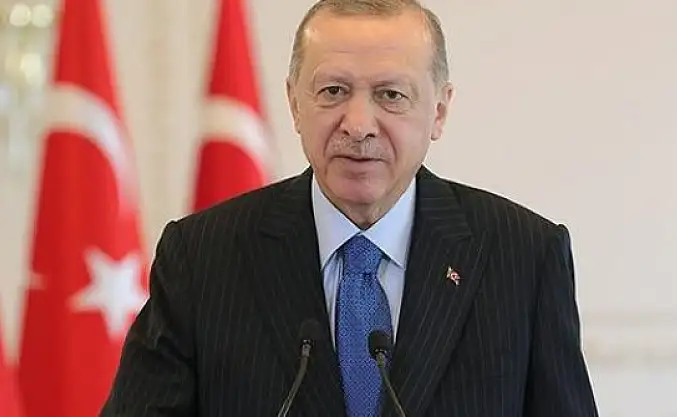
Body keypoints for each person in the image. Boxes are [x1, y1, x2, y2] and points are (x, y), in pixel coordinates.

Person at [100, 0, 599, 416]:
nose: (358, 124)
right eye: (333, 91)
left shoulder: (524, 256)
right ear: (295, 102)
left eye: (391, 95)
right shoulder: (202, 256)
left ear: (439, 111)